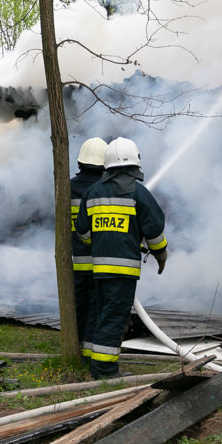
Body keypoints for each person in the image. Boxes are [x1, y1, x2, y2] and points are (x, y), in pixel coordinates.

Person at [75, 137, 167, 379]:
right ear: (134, 163)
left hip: (98, 270)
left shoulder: (92, 192)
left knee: (100, 314)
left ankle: (93, 360)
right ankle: (104, 371)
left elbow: (83, 232)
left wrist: (103, 239)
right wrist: (161, 255)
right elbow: (154, 231)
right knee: (114, 319)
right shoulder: (138, 193)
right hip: (123, 273)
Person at [71, 138, 107, 362]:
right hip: (98, 259)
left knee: (79, 308)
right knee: (97, 308)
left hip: (75, 259)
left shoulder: (67, 186)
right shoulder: (103, 189)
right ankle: (90, 354)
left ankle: (76, 349)